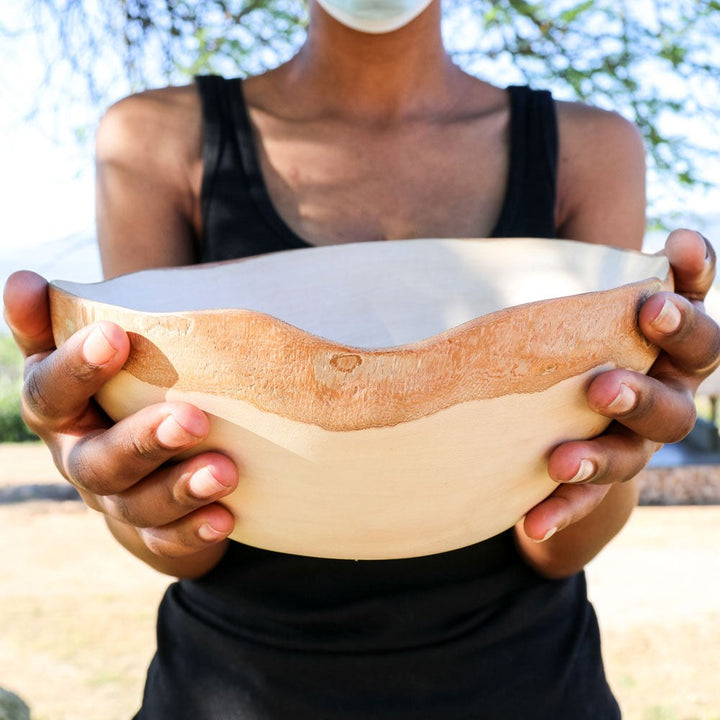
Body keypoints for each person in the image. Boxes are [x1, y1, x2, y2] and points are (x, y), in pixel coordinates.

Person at [4, 0, 720, 717]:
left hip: (527, 684)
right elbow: (184, 535)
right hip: (229, 687)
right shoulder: (155, 140)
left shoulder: (587, 147)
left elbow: (557, 540)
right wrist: (113, 480)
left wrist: (630, 438)